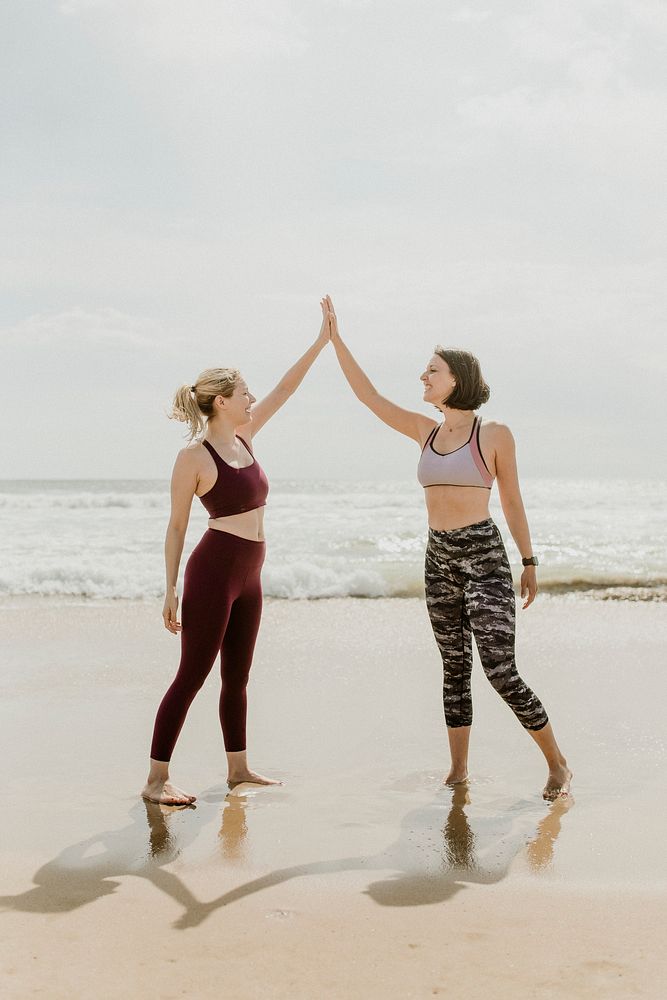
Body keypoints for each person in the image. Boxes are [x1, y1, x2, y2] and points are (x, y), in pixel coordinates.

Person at [324, 296, 571, 800]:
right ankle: (458, 771)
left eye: (431, 371)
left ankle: (557, 764)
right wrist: (336, 341)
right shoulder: (425, 431)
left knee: (499, 669)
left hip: (484, 558)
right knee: (454, 668)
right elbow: (368, 397)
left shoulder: (493, 433)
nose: (422, 378)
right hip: (438, 558)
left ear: (456, 378)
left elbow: (513, 500)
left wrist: (528, 560)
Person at [141, 301, 331, 806]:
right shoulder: (192, 458)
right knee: (192, 675)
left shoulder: (246, 437)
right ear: (222, 401)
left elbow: (286, 389)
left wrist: (320, 343)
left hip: (251, 571)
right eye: (244, 392)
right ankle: (156, 780)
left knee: (237, 676)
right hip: (215, 569)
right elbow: (177, 525)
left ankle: (239, 769)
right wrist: (170, 589)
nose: (252, 398)